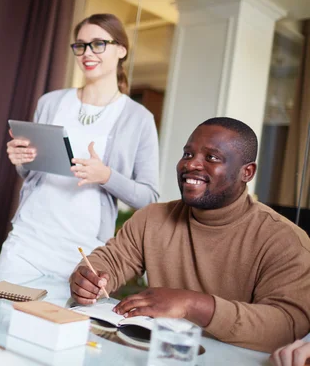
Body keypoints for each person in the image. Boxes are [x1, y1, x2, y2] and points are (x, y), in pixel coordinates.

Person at [69, 117, 310, 353]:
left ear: (247, 172)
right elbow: (111, 260)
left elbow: (287, 326)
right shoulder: (152, 218)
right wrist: (90, 279)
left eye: (212, 157)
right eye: (187, 154)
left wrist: (193, 304)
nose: (191, 164)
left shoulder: (286, 241)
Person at [0, 13, 159, 279]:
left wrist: (106, 176)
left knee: (61, 321)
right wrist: (22, 160)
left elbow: (148, 197)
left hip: (83, 253)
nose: (87, 52)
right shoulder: (51, 102)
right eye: (81, 45)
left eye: (98, 44)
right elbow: (33, 173)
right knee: (4, 317)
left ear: (121, 50)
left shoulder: (138, 118)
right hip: (27, 240)